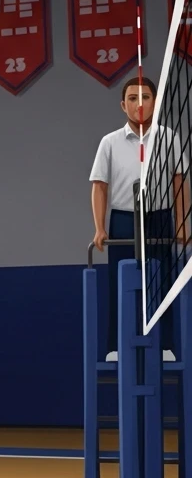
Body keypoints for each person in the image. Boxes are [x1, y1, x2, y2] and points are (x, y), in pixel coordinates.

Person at [90, 74, 186, 361]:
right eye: (133, 98)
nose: (139, 104)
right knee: (119, 286)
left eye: (145, 97)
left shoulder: (170, 137)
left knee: (162, 284)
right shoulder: (109, 142)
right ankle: (116, 347)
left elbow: (179, 183)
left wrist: (182, 223)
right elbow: (99, 186)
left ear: (154, 103)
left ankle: (165, 345)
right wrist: (99, 228)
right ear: (123, 105)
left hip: (159, 219)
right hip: (122, 222)